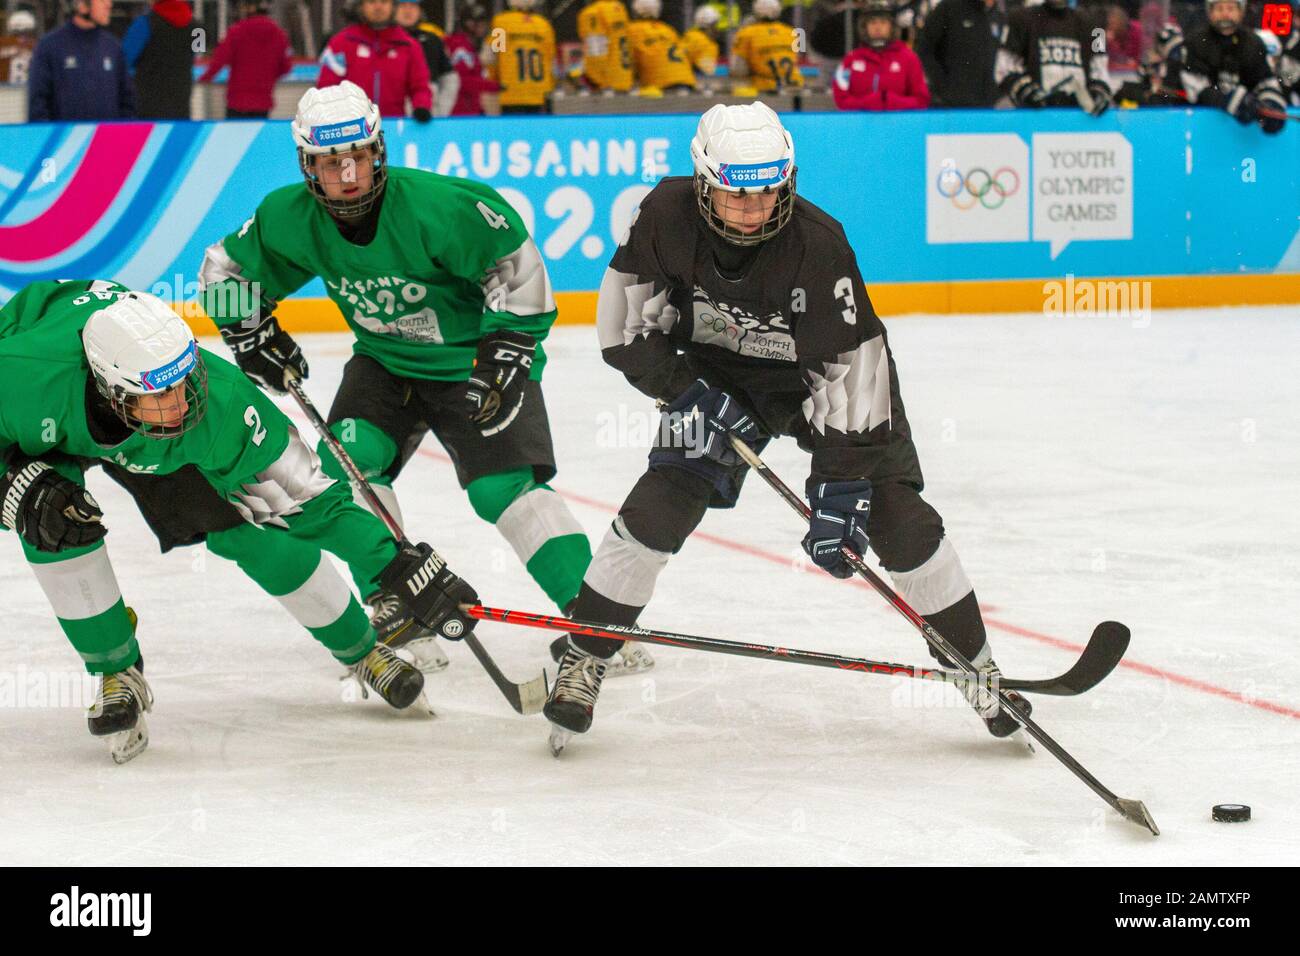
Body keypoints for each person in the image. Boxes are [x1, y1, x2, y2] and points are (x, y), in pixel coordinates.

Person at [542, 102, 1030, 753]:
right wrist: (687, 393)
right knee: (657, 509)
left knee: (898, 518)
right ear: (704, 182)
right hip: (716, 382)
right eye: (736, 194)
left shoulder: (819, 246)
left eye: (768, 191)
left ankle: (977, 667)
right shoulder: (664, 216)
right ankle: (585, 655)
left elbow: (849, 373)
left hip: (822, 387)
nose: (753, 209)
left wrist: (840, 488)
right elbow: (626, 328)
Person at [199, 83, 653, 675]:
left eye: (359, 157)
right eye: (331, 163)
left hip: (472, 359)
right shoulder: (290, 216)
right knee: (348, 469)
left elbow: (516, 268)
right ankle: (396, 602)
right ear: (306, 166)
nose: (349, 175)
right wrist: (248, 331)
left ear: (379, 151)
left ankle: (591, 620)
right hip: (384, 364)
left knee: (504, 490)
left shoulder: (440, 205)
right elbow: (225, 268)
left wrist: (506, 355)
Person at [0, 282, 479, 762]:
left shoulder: (217, 402)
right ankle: (115, 671)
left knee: (256, 532)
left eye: (183, 381)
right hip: (40, 425)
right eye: (161, 394)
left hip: (151, 441)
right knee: (52, 522)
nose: (182, 404)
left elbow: (310, 501)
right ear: (112, 387)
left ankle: (362, 649)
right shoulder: (20, 375)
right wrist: (10, 488)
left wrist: (396, 565)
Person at [1179, 0, 1288, 132]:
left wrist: (1271, 104)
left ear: (1241, 11)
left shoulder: (1253, 42)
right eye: (1219, 9)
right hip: (1201, 127)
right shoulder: (1196, 41)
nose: (1225, 14)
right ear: (1210, 12)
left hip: (1243, 134)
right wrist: (1227, 100)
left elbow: (1265, 81)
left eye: (1230, 8)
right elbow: (1194, 85)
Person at [318, 0, 433, 120]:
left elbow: (420, 86)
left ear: (393, 6)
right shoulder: (340, 43)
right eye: (371, 2)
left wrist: (422, 107)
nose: (378, 7)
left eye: (384, 2)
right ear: (361, 6)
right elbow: (326, 87)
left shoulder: (409, 45)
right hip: (351, 128)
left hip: (394, 127)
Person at [996, 0, 1113, 114]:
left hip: (1080, 117)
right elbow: (1003, 68)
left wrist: (1099, 91)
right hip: (1034, 116)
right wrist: (1024, 90)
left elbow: (1100, 67)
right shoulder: (1019, 19)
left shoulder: (1095, 26)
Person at [27, 0, 133, 122]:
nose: (109, 4)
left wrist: (124, 134)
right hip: (66, 139)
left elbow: (127, 100)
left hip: (106, 138)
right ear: (82, 5)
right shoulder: (50, 46)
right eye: (102, 0)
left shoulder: (113, 47)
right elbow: (38, 102)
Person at [198, 0, 293, 119]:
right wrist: (267, 78)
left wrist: (204, 78)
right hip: (263, 100)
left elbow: (219, 60)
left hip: (237, 100)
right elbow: (286, 67)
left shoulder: (237, 31)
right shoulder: (279, 35)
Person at [833, 0, 930, 110]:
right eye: (872, 22)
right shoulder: (851, 60)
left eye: (883, 22)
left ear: (892, 27)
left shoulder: (909, 58)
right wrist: (869, 103)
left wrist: (891, 101)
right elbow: (841, 100)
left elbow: (922, 100)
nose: (877, 27)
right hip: (860, 125)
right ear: (865, 27)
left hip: (899, 124)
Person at [915, 0, 1001, 108]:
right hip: (949, 107)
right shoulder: (949, 8)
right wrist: (943, 86)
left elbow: (1002, 58)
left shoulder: (999, 15)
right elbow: (924, 50)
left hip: (987, 106)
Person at [122, 0, 199, 119]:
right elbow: (197, 55)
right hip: (181, 109)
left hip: (147, 110)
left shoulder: (144, 24)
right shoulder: (198, 28)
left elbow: (123, 61)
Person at [483, 0, 556, 113]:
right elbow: (551, 59)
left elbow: (491, 57)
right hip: (540, 94)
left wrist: (492, 82)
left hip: (511, 93)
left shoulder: (501, 22)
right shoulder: (544, 24)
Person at [395, 0, 460, 116]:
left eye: (413, 6)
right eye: (403, 6)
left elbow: (450, 78)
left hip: (426, 114)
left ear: (420, 10)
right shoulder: (379, 41)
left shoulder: (432, 40)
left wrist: (441, 111)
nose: (408, 11)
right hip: (390, 115)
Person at [731, 0, 804, 92]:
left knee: (740, 86)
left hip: (765, 88)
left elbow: (738, 69)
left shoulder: (746, 33)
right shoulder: (790, 32)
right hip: (795, 86)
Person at [625, 0, 696, 91]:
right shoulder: (668, 29)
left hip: (661, 86)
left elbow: (628, 60)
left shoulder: (632, 29)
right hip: (687, 81)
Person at [444, 4, 497, 114]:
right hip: (458, 112)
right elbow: (460, 81)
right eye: (481, 24)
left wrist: (480, 110)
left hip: (470, 109)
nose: (484, 28)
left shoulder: (470, 46)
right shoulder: (458, 46)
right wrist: (492, 85)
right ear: (469, 24)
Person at [576, 0, 633, 92]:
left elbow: (596, 51)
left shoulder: (592, 12)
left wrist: (594, 80)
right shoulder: (620, 8)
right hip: (624, 79)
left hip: (606, 85)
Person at [0, 9, 38, 85]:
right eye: (17, 35)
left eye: (27, 34)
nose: (22, 39)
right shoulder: (4, 44)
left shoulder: (36, 48)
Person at [682, 5, 722, 77]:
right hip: (687, 81)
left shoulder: (689, 35)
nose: (717, 29)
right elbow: (708, 72)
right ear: (709, 26)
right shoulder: (706, 42)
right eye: (716, 25)